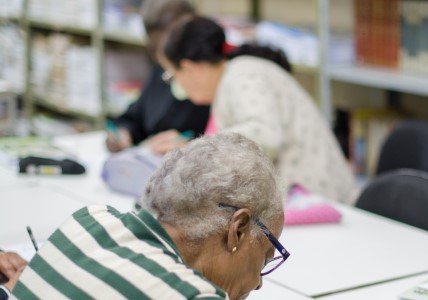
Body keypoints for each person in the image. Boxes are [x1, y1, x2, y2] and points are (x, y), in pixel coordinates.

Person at [14, 133, 288, 300]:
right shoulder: (191, 296)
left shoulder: (88, 222)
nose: (259, 283)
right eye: (265, 258)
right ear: (237, 229)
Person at [157, 16, 358, 203]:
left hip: (318, 200)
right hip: (303, 199)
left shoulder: (242, 75)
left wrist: (197, 149)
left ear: (190, 67)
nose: (176, 84)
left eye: (172, 75)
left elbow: (266, 135)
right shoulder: (230, 79)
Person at [106, 0, 210, 153]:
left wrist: (191, 146)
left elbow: (226, 140)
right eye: (155, 44)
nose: (163, 52)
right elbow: (137, 116)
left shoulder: (208, 75)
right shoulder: (160, 69)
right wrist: (123, 132)